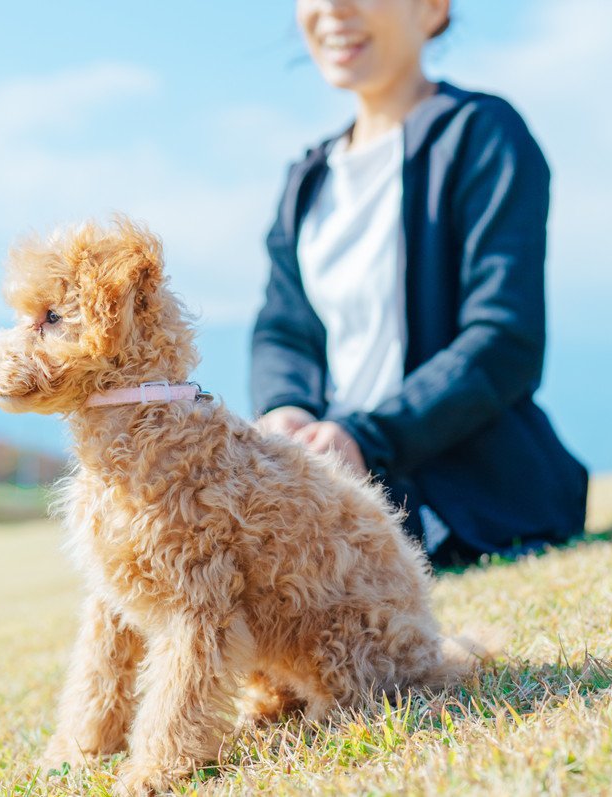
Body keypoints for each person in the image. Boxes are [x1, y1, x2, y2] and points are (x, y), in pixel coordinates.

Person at [251, 0, 588, 564]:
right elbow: (283, 331)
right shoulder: (306, 181)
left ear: (432, 9)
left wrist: (364, 438)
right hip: (336, 494)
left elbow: (505, 341)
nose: (333, 10)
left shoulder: (483, 134)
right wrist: (288, 410)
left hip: (470, 500)